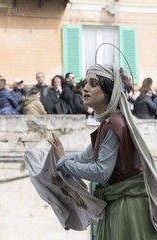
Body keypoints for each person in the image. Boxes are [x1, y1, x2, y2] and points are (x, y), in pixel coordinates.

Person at [49, 64, 157, 239]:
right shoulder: (109, 122)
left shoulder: (114, 122)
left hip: (127, 205)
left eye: (93, 83)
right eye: (85, 82)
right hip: (120, 201)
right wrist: (61, 158)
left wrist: (63, 162)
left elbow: (101, 172)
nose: (85, 87)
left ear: (109, 91)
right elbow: (86, 157)